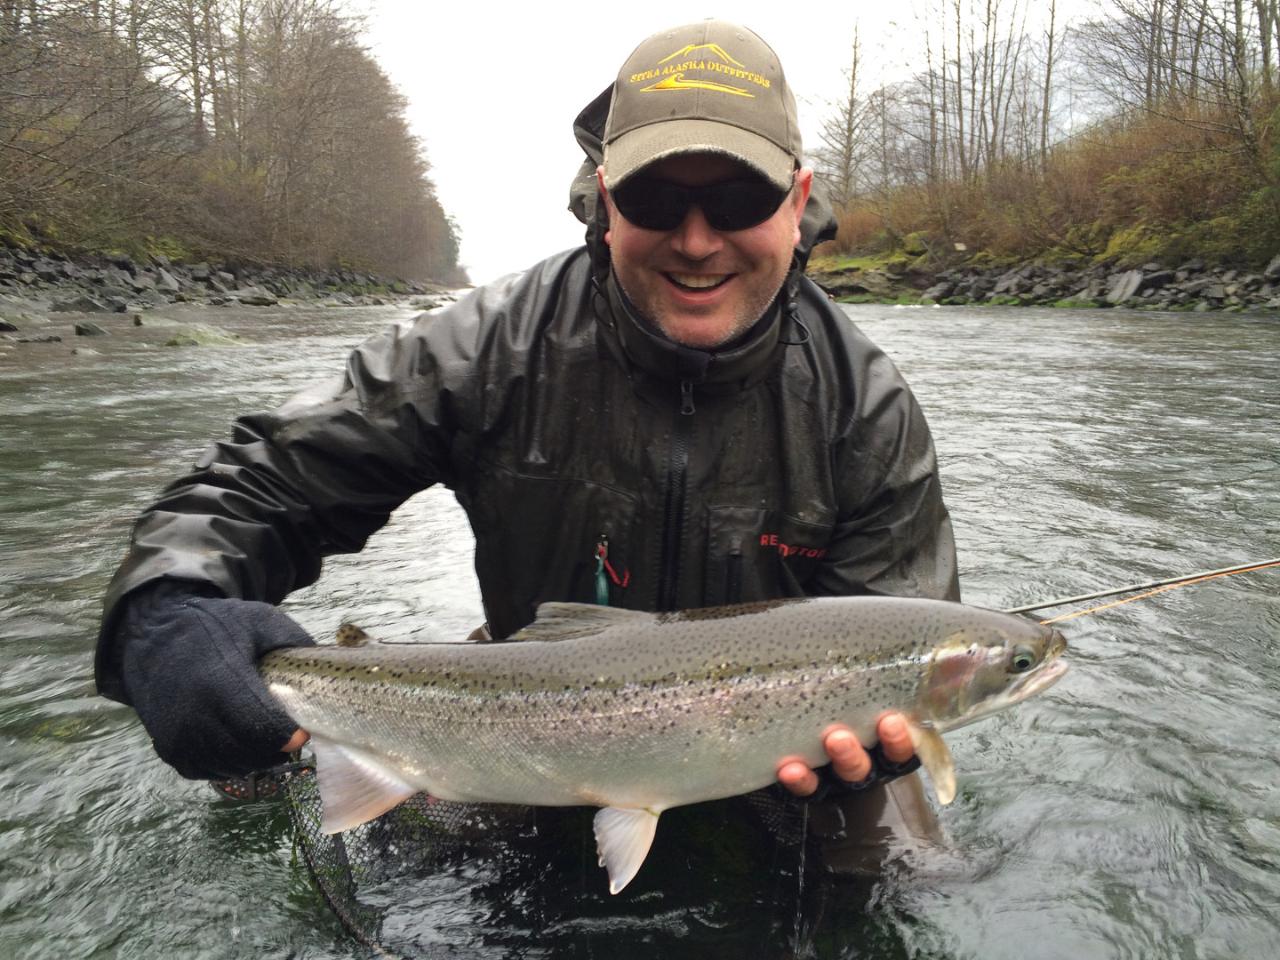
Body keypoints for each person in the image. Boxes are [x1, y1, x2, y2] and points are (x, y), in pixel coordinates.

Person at [96, 19, 958, 871]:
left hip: (791, 756)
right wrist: (164, 606)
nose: (698, 242)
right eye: (659, 199)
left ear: (798, 202)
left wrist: (878, 746)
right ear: (606, 195)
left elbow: (897, 616)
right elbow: (265, 482)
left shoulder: (865, 409)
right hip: (541, 707)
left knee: (906, 887)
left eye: (739, 201)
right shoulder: (487, 347)